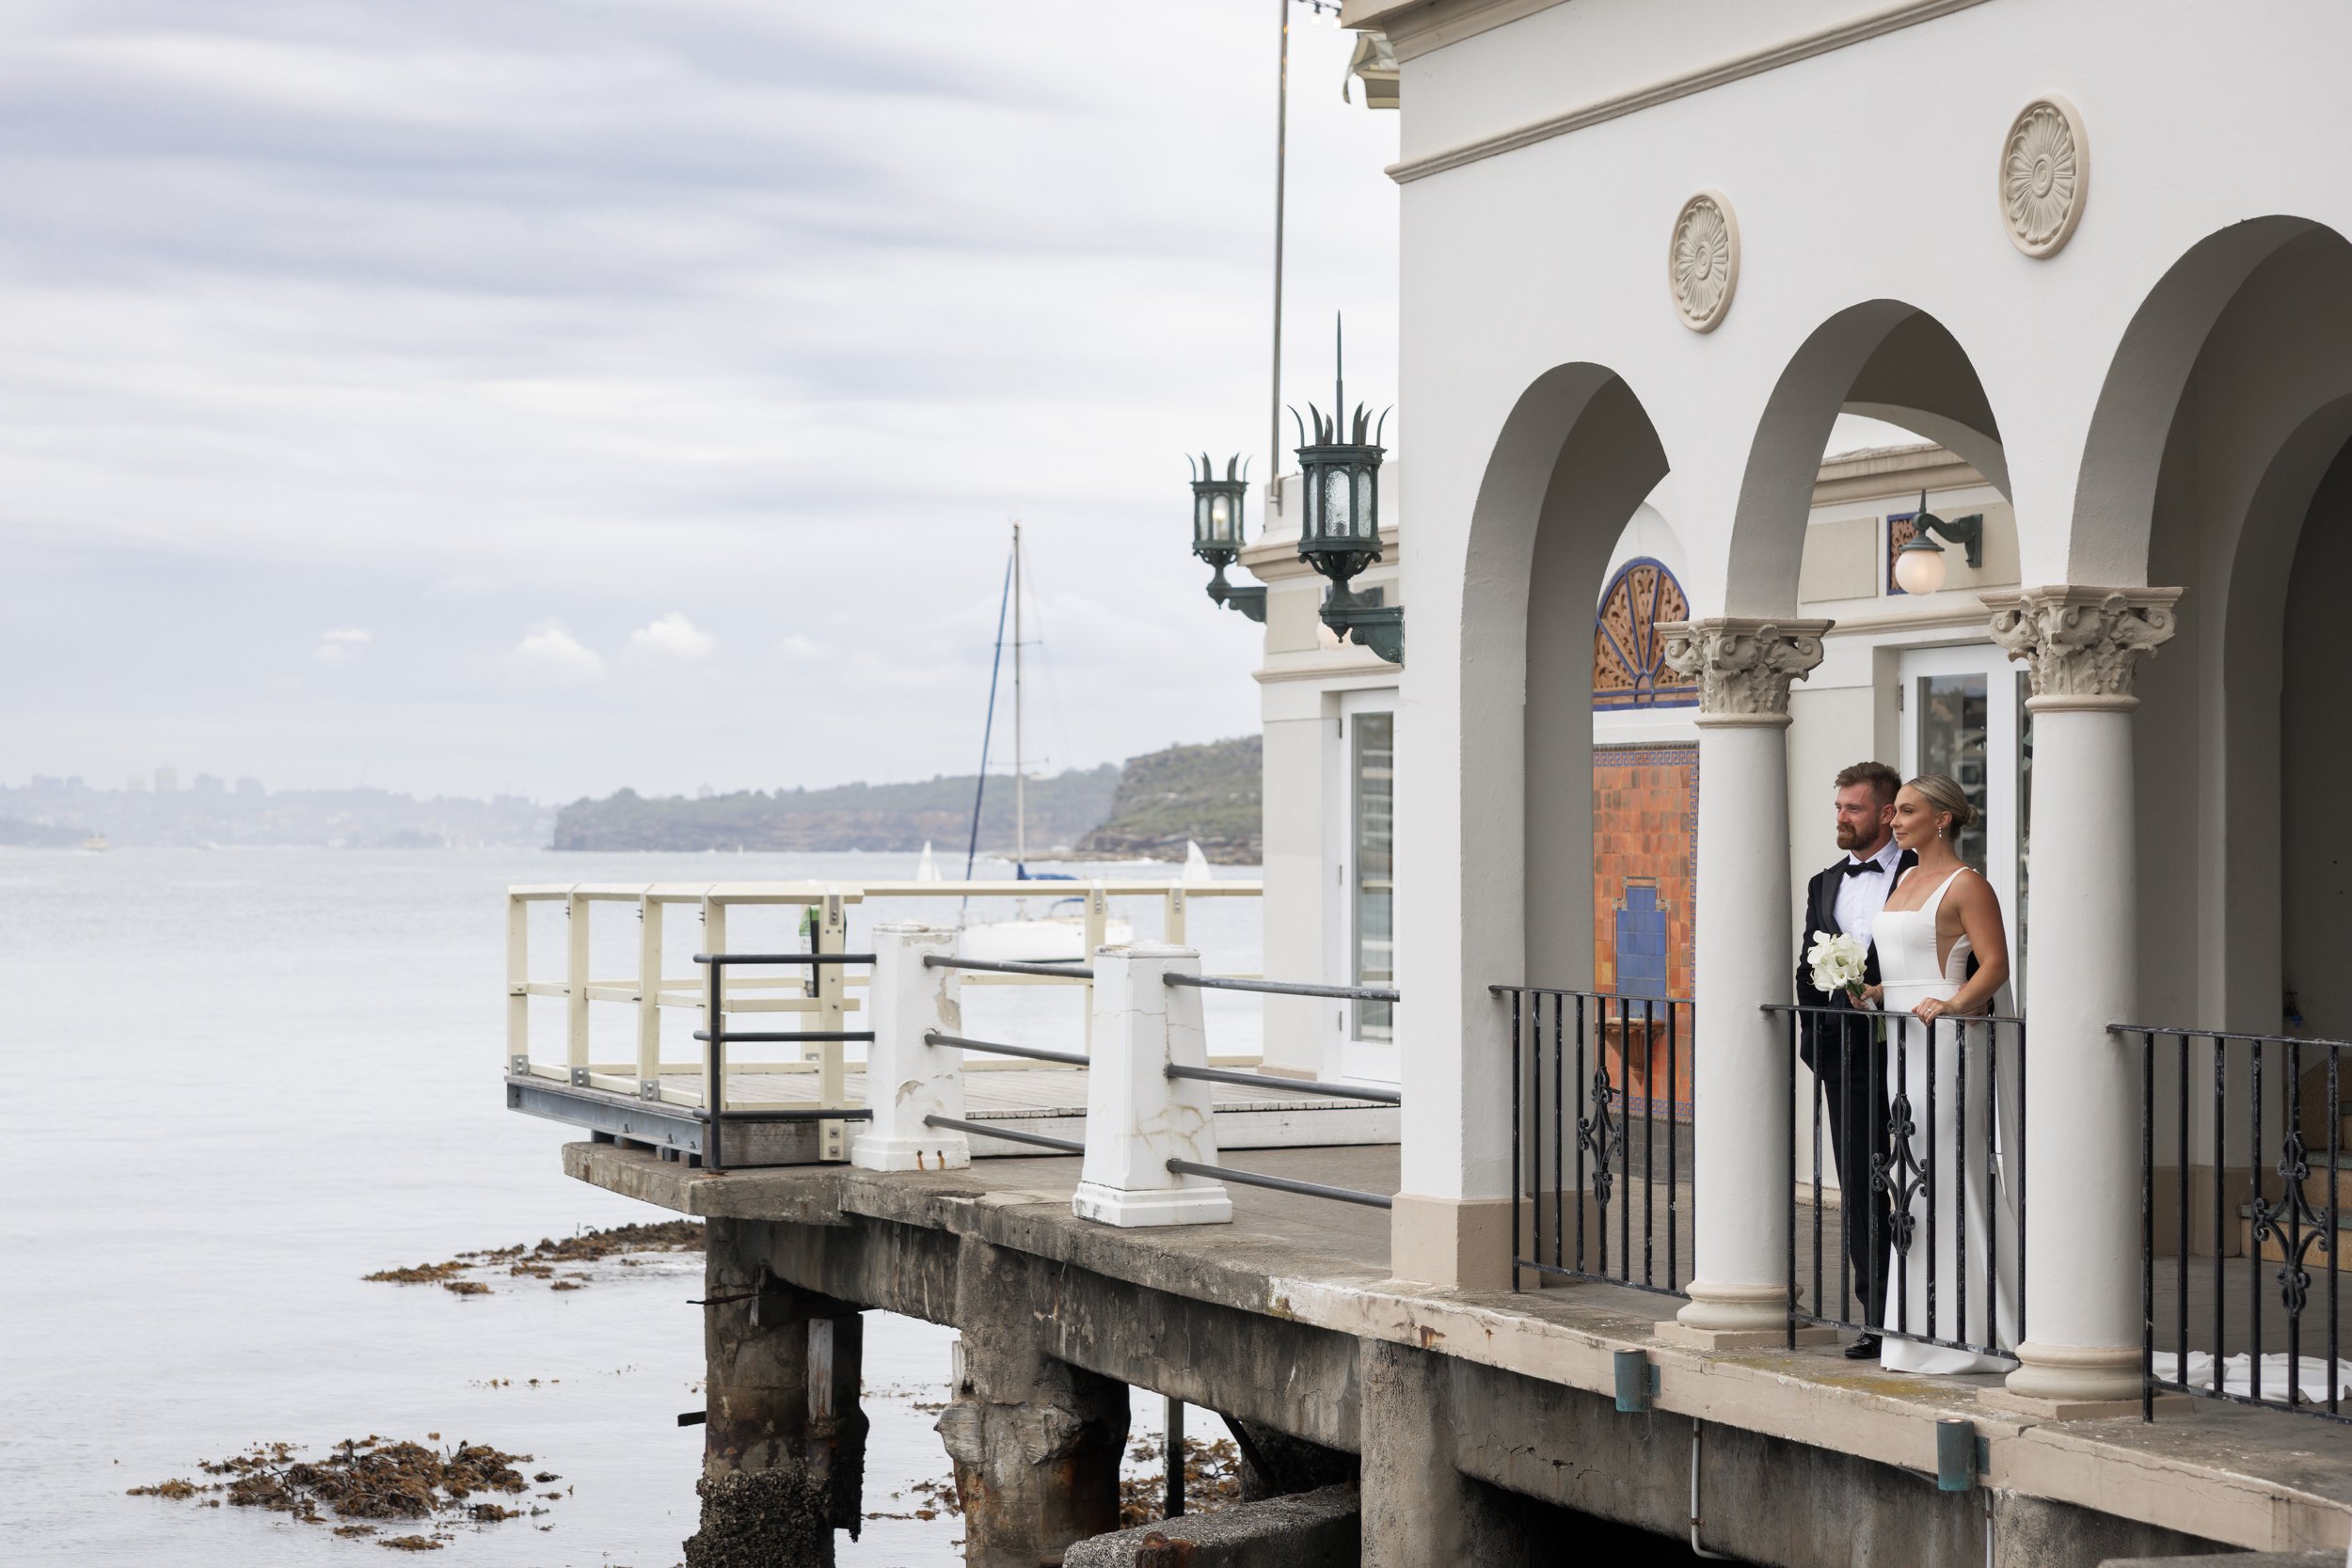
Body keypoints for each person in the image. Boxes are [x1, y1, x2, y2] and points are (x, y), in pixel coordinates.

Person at [1863, 772, 2019, 1375]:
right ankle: (1917, 1328)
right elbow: (1903, 962)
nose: (1893, 821)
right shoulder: (1904, 877)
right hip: (1901, 1034)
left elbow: (1996, 965)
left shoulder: (1967, 884)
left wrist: (1954, 1003)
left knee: (1948, 1170)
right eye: (1894, 813)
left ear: (1943, 818)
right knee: (1910, 1174)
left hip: (1948, 1040)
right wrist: (1877, 989)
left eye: (1905, 811)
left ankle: (1976, 1326)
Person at [1795, 761, 1908, 1360]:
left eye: (1854, 808)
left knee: (1922, 1180)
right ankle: (1878, 1317)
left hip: (1916, 1051)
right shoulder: (1823, 884)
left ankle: (1934, 1308)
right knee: (1864, 1188)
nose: (1841, 817)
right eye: (1839, 807)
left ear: (1888, 813)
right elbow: (1806, 972)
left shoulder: (1925, 874)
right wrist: (1822, 1042)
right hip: (1850, 1060)